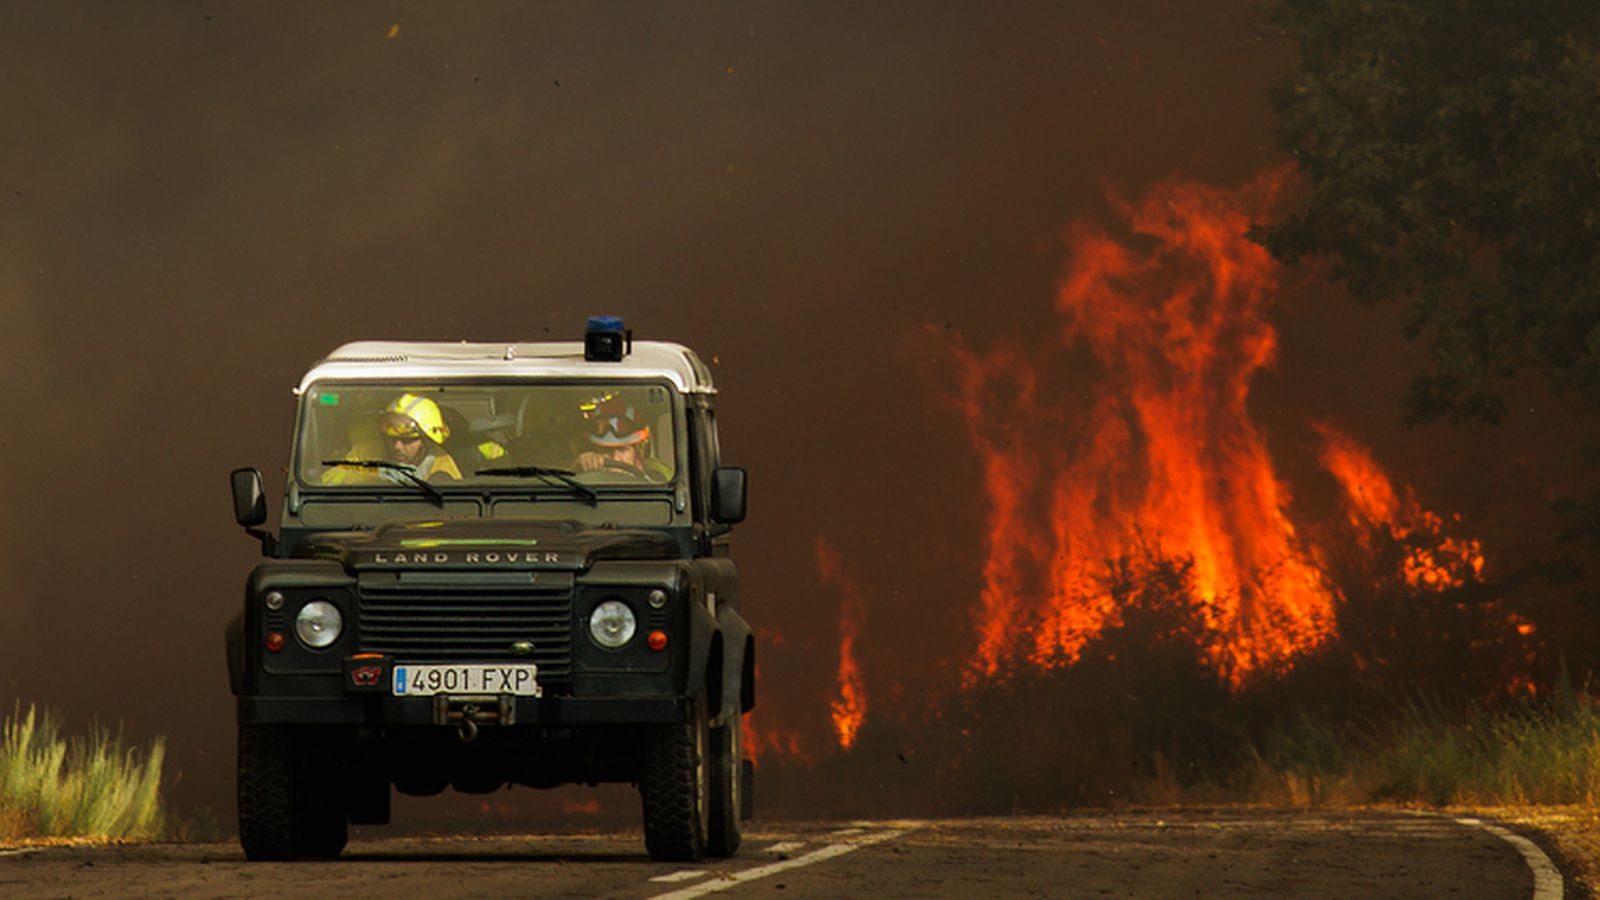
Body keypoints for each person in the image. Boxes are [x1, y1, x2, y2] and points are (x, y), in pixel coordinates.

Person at [324, 393, 462, 483]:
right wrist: (375, 474)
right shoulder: (369, 451)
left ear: (427, 441)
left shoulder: (442, 463)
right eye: (392, 439)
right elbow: (327, 480)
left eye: (407, 440)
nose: (397, 446)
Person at [575, 394, 671, 481]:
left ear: (638, 451)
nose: (615, 458)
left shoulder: (658, 477)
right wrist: (582, 467)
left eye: (622, 450)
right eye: (607, 451)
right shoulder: (588, 476)